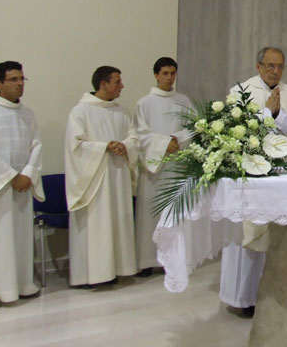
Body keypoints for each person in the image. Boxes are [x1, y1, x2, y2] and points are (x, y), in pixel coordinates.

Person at [220, 46, 287, 315]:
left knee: (282, 236)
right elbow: (233, 128)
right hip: (250, 176)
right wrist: (266, 114)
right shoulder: (241, 92)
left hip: (284, 175)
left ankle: (279, 296)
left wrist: (277, 115)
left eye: (280, 66)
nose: (275, 71)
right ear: (258, 66)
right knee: (249, 233)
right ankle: (244, 299)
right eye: (270, 66)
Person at [65, 66, 139, 287]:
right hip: (94, 181)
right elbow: (75, 146)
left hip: (118, 179)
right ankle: (92, 275)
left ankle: (117, 269)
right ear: (103, 84)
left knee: (117, 222)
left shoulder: (122, 112)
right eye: (117, 81)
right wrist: (105, 146)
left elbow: (134, 139)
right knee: (97, 225)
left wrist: (125, 146)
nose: (122, 86)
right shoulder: (80, 112)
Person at [0, 61, 44, 309]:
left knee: (20, 237)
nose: (20, 84)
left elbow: (36, 145)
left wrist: (28, 173)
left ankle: (21, 283)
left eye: (22, 79)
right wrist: (12, 176)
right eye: (13, 80)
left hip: (22, 186)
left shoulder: (27, 114)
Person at [133, 57, 194, 275]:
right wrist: (163, 144)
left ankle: (173, 260)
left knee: (174, 213)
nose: (170, 78)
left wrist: (176, 140)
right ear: (156, 75)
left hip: (176, 164)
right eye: (165, 73)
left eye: (173, 73)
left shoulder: (184, 101)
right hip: (154, 168)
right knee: (152, 212)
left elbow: (194, 128)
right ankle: (148, 260)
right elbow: (140, 135)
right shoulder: (144, 103)